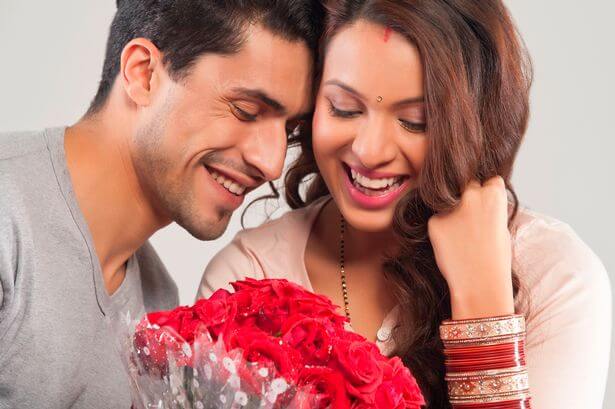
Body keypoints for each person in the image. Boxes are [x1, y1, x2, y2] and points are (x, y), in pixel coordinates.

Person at [198, 1, 612, 408]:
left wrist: (481, 303)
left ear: (476, 125)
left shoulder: (556, 277)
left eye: (415, 121)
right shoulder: (249, 276)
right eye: (344, 108)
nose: (369, 150)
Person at [0, 0, 323, 407]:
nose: (272, 163)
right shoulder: (7, 217)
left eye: (289, 129)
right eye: (246, 110)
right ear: (144, 74)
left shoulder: (158, 306)